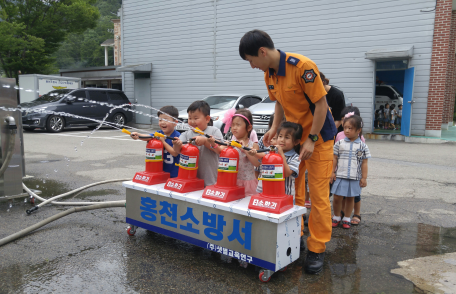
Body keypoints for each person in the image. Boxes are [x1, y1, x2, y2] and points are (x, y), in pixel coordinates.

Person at [239, 29, 338, 274]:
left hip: (318, 138)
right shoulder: (269, 74)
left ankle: (317, 248)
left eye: (251, 60)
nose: (252, 66)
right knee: (293, 188)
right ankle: (296, 234)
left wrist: (312, 139)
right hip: (293, 139)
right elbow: (280, 103)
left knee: (318, 194)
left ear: (262, 52)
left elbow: (321, 104)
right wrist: (274, 128)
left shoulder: (302, 66)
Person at [330, 115, 371, 229]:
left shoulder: (362, 146)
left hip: (354, 177)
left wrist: (364, 178)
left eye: (350, 128)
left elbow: (364, 163)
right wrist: (332, 172)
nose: (347, 130)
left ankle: (347, 218)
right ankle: (337, 216)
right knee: (337, 197)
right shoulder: (339, 143)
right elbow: (334, 158)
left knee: (350, 198)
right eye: (345, 127)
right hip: (340, 176)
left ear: (358, 130)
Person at [173, 100, 222, 186]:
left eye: (196, 118)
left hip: (210, 179)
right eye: (189, 118)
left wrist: (205, 141)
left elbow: (219, 150)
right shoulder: (186, 134)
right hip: (190, 179)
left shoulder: (214, 131)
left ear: (207, 119)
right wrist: (177, 144)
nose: (192, 121)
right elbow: (177, 151)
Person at [256, 122, 301, 203]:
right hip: (265, 193)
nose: (282, 140)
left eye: (287, 137)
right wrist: (251, 151)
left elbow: (287, 173)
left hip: (285, 196)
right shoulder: (271, 149)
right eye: (280, 136)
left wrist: (281, 154)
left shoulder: (296, 157)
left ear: (296, 142)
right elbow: (261, 155)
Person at [130, 105, 180, 178]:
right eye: (160, 120)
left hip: (173, 174)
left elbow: (175, 153)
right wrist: (138, 135)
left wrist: (163, 142)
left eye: (166, 120)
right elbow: (149, 137)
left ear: (175, 123)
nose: (162, 122)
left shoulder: (177, 136)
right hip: (160, 172)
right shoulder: (159, 133)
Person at [335, 106, 365, 226]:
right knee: (341, 194)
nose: (346, 127)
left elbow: (363, 158)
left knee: (354, 195)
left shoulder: (360, 139)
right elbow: (335, 154)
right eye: (343, 120)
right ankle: (341, 213)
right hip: (341, 170)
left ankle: (356, 213)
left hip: (354, 172)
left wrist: (363, 175)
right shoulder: (339, 136)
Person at [221, 108, 259, 195]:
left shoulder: (253, 145)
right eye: (233, 124)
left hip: (247, 184)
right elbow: (219, 151)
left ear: (249, 127)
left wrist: (245, 149)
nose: (234, 128)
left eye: (238, 125)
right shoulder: (230, 143)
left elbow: (257, 163)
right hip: (231, 181)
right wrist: (213, 143)